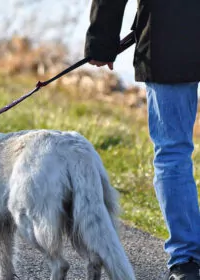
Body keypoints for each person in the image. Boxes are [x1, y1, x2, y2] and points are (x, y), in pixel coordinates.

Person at [84, 0, 200, 279]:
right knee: (173, 153)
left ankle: (187, 261)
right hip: (171, 32)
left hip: (171, 33)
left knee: (172, 152)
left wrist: (102, 40)